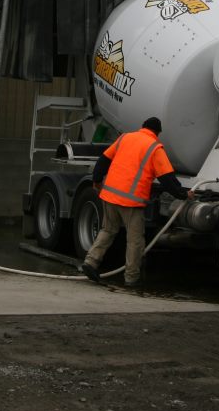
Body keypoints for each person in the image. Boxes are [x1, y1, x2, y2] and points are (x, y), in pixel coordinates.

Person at [81, 117, 193, 288]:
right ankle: (131, 278)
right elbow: (167, 178)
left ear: (142, 127)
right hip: (130, 203)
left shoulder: (125, 138)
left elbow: (103, 160)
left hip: (109, 196)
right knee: (134, 241)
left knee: (107, 230)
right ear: (158, 133)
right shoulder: (155, 148)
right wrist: (183, 194)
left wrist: (97, 181)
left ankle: (90, 262)